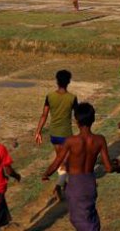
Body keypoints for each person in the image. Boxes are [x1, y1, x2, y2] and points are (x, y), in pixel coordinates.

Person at [42, 103, 117, 231]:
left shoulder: (71, 141)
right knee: (89, 214)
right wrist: (119, 167)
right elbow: (108, 168)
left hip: (76, 185)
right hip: (90, 182)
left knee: (80, 219)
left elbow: (57, 162)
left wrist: (46, 174)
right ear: (93, 119)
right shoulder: (100, 140)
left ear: (76, 121)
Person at [34, 70, 78, 200]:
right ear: (68, 82)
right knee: (66, 162)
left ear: (57, 81)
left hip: (54, 135)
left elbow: (44, 115)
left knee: (61, 159)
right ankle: (59, 185)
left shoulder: (50, 96)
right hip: (66, 134)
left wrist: (38, 131)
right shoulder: (72, 98)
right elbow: (77, 117)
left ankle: (63, 184)